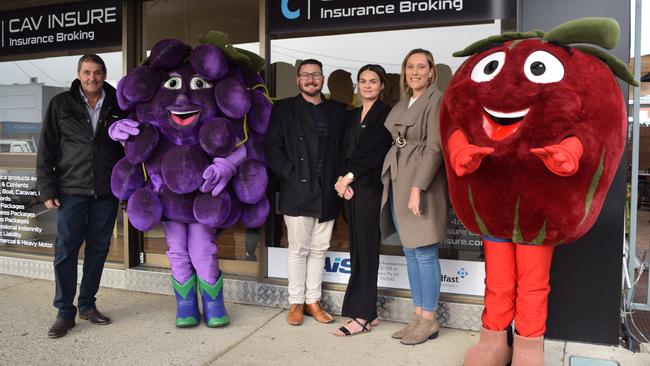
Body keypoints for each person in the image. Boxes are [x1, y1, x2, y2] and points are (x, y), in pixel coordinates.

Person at [37, 54, 125, 338]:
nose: (92, 78)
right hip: (71, 190)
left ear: (104, 74)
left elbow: (129, 149)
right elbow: (46, 148)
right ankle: (65, 312)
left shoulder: (119, 104)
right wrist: (48, 188)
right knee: (66, 251)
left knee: (98, 250)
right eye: (87, 72)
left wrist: (127, 187)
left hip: (106, 191)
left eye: (97, 72)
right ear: (78, 74)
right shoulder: (60, 104)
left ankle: (87, 304)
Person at [266, 59, 347, 326]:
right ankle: (296, 303)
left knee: (319, 250)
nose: (311, 79)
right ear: (298, 80)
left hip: (327, 191)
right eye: (305, 75)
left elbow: (344, 151)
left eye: (316, 75)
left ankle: (314, 301)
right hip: (297, 189)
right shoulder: (284, 109)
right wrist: (291, 176)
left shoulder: (338, 111)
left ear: (322, 79)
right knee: (298, 250)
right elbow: (273, 148)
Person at [379, 49, 449, 345]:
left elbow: (435, 148)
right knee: (410, 251)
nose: (416, 72)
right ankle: (417, 314)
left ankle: (430, 319)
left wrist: (417, 189)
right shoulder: (404, 101)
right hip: (399, 179)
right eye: (410, 66)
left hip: (421, 184)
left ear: (432, 71)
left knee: (424, 252)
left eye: (422, 67)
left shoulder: (437, 99)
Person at [333, 64, 392, 336]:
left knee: (367, 252)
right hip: (351, 190)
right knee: (357, 251)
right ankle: (371, 312)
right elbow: (343, 151)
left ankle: (362, 316)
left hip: (369, 190)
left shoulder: (386, 114)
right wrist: (341, 182)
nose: (367, 85)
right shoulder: (353, 115)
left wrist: (349, 178)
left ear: (381, 86)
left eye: (373, 81)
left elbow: (377, 152)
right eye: (363, 81)